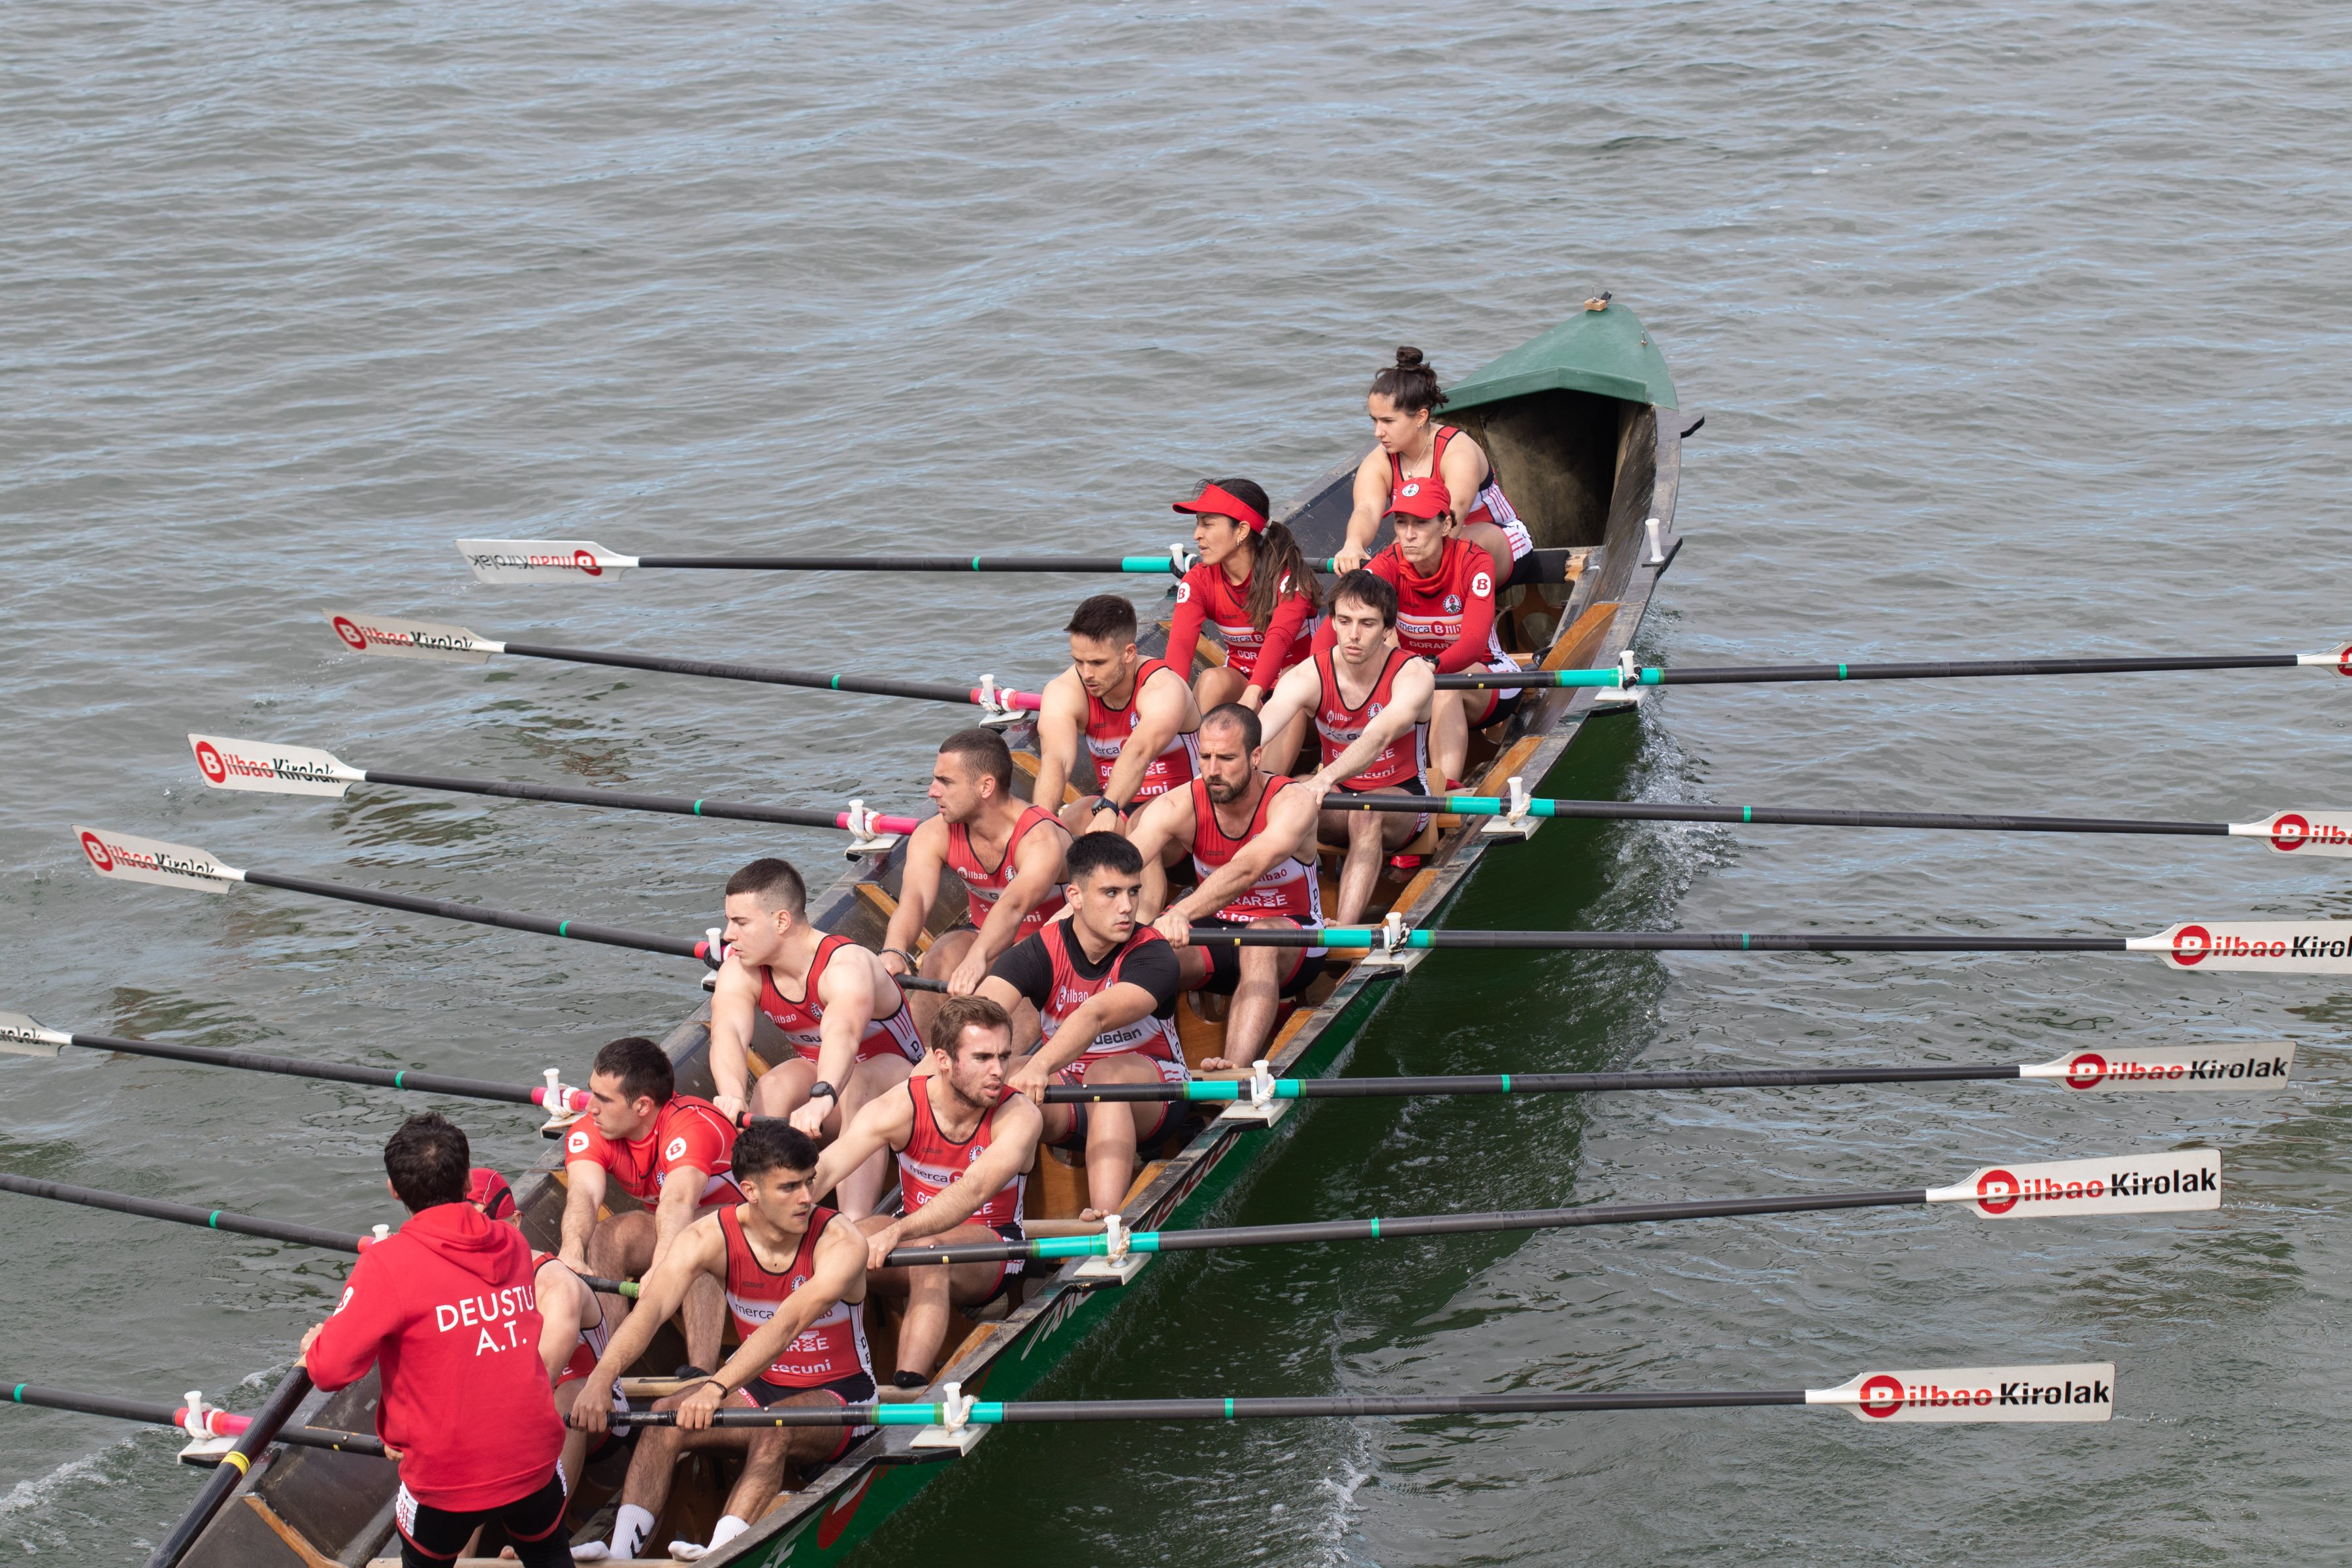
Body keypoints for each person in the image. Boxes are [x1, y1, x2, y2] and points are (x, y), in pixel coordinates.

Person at [570, 1122, 869, 1565]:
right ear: (749, 1190)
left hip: (843, 1397)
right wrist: (601, 1377)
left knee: (775, 1430)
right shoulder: (707, 1236)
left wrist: (715, 1387)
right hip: (760, 1388)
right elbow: (650, 1311)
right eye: (789, 1187)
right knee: (662, 1418)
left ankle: (720, 1555)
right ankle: (620, 1557)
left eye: (809, 1182)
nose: (808, 1197)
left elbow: (785, 1325)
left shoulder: (840, 1241)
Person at [302, 1114, 569, 1568]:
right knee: (548, 1554)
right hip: (536, 1462)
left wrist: (319, 1342)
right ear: (467, 1179)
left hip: (445, 1482)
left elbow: (329, 1372)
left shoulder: (387, 1264)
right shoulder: (511, 1241)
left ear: (393, 1189)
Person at [811, 995, 1043, 1390]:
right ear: (943, 1060)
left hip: (993, 1248)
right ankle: (825, 1379)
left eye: (1004, 1057)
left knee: (933, 1254)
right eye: (983, 1058)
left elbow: (973, 1191)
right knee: (831, 1242)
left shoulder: (1019, 1115)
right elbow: (829, 1165)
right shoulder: (903, 1104)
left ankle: (909, 1393)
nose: (999, 1071)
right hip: (916, 1235)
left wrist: (900, 1232)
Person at [981, 832, 1187, 1218]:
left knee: (1104, 1074)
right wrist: (928, 1085)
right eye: (1111, 893)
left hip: (1157, 1094)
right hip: (1069, 1094)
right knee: (995, 1079)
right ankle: (987, 1216)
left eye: (1133, 892)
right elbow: (977, 1016)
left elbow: (1094, 1015)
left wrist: (1040, 1064)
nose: (1127, 907)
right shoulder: (1040, 950)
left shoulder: (1153, 954)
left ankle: (1107, 1222)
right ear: (1074, 897)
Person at [709, 857, 923, 1217]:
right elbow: (728, 1033)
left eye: (740, 922)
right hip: (829, 1085)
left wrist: (823, 1096)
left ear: (781, 921)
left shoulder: (845, 966)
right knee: (773, 1085)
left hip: (905, 1083)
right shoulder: (741, 970)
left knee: (857, 1083)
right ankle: (761, 1210)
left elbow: (843, 1033)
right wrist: (730, 1094)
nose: (728, 935)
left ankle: (853, 1222)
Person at [1125, 705, 1327, 1079]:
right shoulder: (1177, 804)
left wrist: (1181, 911)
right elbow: (1121, 867)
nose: (1213, 770)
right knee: (1146, 958)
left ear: (1255, 757)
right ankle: (1160, 1070)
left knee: (1258, 940)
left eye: (1227, 758)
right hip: (1219, 931)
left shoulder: (1292, 801)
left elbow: (1248, 868)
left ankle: (1234, 1071)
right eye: (1205, 756)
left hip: (1295, 939)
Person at [1258, 570, 1440, 923]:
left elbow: (1378, 737)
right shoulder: (1308, 674)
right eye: (1344, 621)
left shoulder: (1414, 674)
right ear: (1335, 622)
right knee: (1285, 794)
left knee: (1366, 811)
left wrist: (1326, 777)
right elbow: (1262, 728)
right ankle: (1285, 914)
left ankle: (1344, 930)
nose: (1353, 635)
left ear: (1389, 630)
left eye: (1367, 624)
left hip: (1404, 800)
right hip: (1338, 800)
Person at [558, 1036, 743, 1377]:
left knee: (694, 1236)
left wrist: (662, 1269)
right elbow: (583, 1194)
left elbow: (677, 1202)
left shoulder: (691, 1125)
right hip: (680, 1227)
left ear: (642, 1106)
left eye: (603, 1099)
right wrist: (572, 1250)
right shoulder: (592, 1130)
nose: (589, 1107)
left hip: (750, 1232)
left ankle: (701, 1373)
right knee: (603, 1237)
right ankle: (606, 1372)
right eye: (590, 1092)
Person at [1322, 479, 1522, 789]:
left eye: (1421, 523)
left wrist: (1424, 669)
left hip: (1488, 677)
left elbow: (1471, 645)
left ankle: (1444, 793)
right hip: (1414, 680)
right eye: (1402, 523)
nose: (1409, 535)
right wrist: (1323, 675)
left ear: (1446, 525)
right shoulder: (1388, 564)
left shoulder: (1474, 562)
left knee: (1439, 685)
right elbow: (1333, 625)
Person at [882, 729, 1070, 1041]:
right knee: (941, 953)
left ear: (986, 786)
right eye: (935, 780)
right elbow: (914, 899)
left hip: (1049, 947)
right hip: (985, 936)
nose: (932, 791)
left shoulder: (1040, 839)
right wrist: (895, 949)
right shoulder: (934, 834)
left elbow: (1013, 906)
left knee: (1016, 977)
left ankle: (1003, 1067)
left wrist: (977, 959)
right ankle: (918, 1057)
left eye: (946, 782)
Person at [466, 1168, 627, 1494]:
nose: (472, 1250)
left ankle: (545, 1527)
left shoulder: (554, 1284)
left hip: (595, 1413)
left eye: (484, 1235)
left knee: (565, 1397)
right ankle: (460, 1545)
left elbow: (540, 1381)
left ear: (514, 1223)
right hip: (511, 1407)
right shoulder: (457, 1280)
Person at [1333, 346, 1535, 586]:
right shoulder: (1380, 460)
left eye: (1388, 421)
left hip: (1499, 539)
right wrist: (1354, 544)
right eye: (1374, 420)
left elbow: (1451, 519)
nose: (1378, 432)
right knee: (1415, 557)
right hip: (1424, 548)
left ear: (1420, 417)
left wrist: (1388, 562)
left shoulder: (1458, 451)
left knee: (1441, 549)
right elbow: (1366, 509)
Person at [1162, 478, 1323, 769]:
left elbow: (1279, 638)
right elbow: (1179, 653)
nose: (1197, 535)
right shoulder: (1199, 580)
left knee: (1289, 684)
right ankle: (1196, 780)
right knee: (1211, 680)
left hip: (1309, 713)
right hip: (1246, 694)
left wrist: (1255, 695)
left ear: (1242, 531)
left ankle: (1261, 790)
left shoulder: (1291, 578)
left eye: (1207, 524)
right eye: (1198, 524)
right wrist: (1161, 711)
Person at [1030, 594, 1202, 838]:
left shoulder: (1163, 688)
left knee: (1142, 824)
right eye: (1078, 661)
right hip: (1117, 807)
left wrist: (1109, 805)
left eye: (1098, 663)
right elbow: (1057, 760)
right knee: (1068, 821)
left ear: (1129, 653)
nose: (1087, 674)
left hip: (1186, 809)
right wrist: (1041, 823)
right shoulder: (1064, 690)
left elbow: (1140, 751)